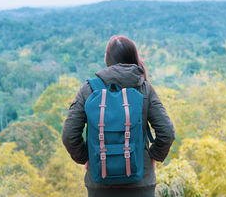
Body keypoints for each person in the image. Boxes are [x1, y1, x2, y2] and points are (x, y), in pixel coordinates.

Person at [62, 35, 175, 197]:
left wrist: (88, 158)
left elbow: (69, 135)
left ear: (108, 60)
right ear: (133, 57)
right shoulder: (144, 88)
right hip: (140, 183)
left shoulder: (89, 89)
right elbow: (167, 132)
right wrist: (152, 157)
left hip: (100, 183)